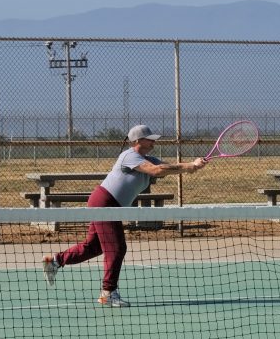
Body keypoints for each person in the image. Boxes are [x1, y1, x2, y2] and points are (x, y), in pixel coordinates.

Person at [41, 125, 208, 307]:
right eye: (150, 138)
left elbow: (166, 167)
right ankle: (108, 293)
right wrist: (189, 166)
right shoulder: (129, 156)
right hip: (105, 202)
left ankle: (55, 261)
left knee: (93, 247)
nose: (154, 142)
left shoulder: (149, 159)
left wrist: (193, 166)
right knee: (117, 248)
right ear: (137, 141)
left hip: (109, 203)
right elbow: (156, 170)